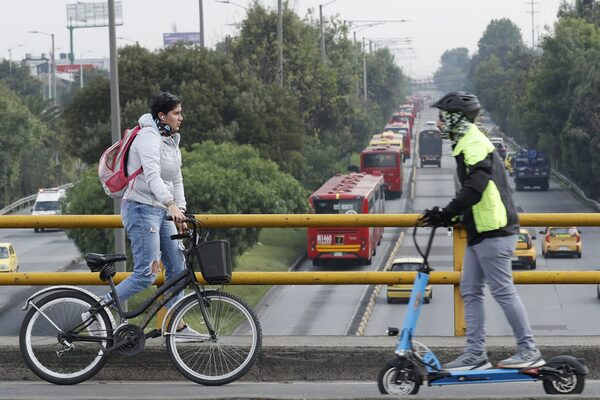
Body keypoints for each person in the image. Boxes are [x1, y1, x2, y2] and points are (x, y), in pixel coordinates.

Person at [419, 91, 543, 371]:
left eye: (442, 118)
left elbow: (476, 187)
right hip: (481, 231)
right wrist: (451, 217)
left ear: (456, 118)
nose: (438, 124)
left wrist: (447, 212)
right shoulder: (465, 142)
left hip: (495, 230)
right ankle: (475, 353)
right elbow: (475, 194)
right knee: (471, 290)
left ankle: (529, 350)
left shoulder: (475, 143)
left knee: (502, 291)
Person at [92, 92, 194, 335]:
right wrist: (170, 204)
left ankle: (174, 324)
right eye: (176, 113)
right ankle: (97, 310)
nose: (181, 117)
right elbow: (151, 176)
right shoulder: (149, 137)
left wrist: (180, 211)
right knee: (146, 274)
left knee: (178, 270)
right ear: (162, 115)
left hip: (161, 210)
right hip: (140, 209)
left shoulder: (171, 140)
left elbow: (175, 178)